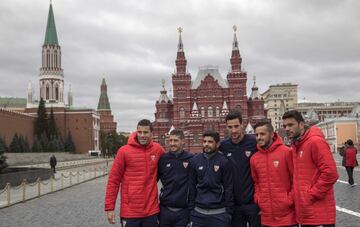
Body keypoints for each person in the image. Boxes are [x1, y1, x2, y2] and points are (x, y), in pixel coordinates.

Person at [282, 110, 338, 227]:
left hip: (319, 215)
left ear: (301, 125)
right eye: (285, 126)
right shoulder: (297, 145)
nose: (287, 128)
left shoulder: (315, 141)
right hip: (307, 214)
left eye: (290, 125)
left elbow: (331, 173)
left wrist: (311, 195)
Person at [104, 119, 165, 226]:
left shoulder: (158, 149)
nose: (142, 135)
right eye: (139, 132)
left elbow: (170, 167)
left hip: (151, 211)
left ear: (151, 133)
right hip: (130, 212)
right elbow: (113, 180)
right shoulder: (124, 151)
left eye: (145, 132)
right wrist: (110, 208)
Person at [250, 121, 297, 227]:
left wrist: (289, 200)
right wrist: (258, 198)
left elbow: (295, 179)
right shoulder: (254, 158)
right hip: (266, 218)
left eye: (262, 134)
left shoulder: (286, 152)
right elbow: (256, 182)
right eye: (256, 134)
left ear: (272, 134)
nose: (258, 137)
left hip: (287, 217)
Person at [219, 110, 261, 227]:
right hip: (234, 204)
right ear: (226, 127)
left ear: (242, 125)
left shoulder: (254, 142)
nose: (234, 130)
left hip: (253, 202)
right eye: (230, 127)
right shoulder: (224, 146)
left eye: (236, 126)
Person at [188, 130, 233, 227]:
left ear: (217, 144)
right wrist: (191, 209)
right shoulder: (194, 161)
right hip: (198, 213)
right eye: (204, 141)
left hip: (219, 213)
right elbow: (191, 186)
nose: (206, 144)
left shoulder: (224, 161)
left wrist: (228, 212)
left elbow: (229, 187)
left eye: (210, 142)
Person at [158, 129, 193, 227]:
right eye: (170, 140)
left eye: (176, 141)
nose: (172, 143)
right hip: (165, 210)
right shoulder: (163, 159)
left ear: (183, 141)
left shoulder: (191, 159)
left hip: (183, 211)